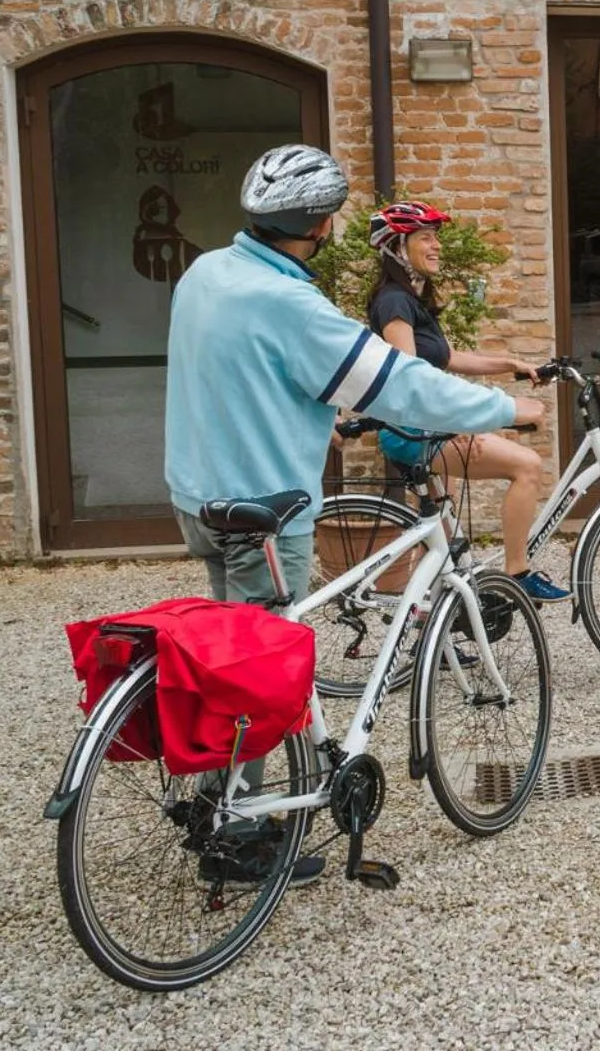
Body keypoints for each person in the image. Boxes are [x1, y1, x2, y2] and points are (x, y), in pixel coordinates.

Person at [166, 146, 547, 885]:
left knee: (229, 651)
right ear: (321, 225)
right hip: (264, 508)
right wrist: (508, 406)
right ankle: (235, 835)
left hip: (197, 496)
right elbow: (401, 386)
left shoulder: (206, 273)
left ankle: (218, 792)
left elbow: (244, 370)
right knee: (259, 673)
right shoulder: (292, 306)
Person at [365, 200, 567, 602]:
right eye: (426, 238)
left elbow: (448, 358)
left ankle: (429, 616)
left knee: (441, 536)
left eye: (436, 238)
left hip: (423, 427)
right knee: (527, 466)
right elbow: (411, 378)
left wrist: (511, 364)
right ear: (398, 248)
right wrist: (465, 418)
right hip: (415, 432)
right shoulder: (393, 302)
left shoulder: (409, 299)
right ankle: (518, 572)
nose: (437, 246)